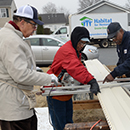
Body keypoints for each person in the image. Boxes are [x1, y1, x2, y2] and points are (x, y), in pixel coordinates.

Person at [0, 5, 58, 130]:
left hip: (19, 102)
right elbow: (20, 74)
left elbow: (19, 66)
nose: (35, 29)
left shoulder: (13, 36)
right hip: (14, 108)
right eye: (33, 25)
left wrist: (35, 72)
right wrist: (48, 78)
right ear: (22, 22)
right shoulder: (11, 40)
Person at [46, 26, 100, 130]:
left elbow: (78, 68)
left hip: (65, 92)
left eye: (84, 43)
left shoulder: (75, 50)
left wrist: (88, 78)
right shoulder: (68, 51)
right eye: (80, 42)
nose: (82, 46)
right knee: (61, 126)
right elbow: (76, 68)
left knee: (69, 124)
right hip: (56, 92)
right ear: (75, 39)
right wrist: (91, 80)